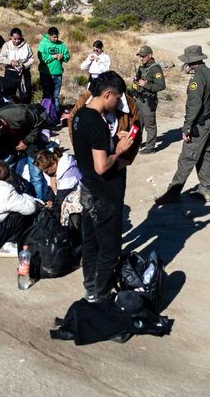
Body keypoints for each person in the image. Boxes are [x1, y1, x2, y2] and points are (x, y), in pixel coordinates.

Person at [71, 71, 135, 302]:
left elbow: (90, 153)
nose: (118, 103)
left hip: (88, 189)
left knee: (91, 242)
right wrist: (119, 151)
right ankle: (101, 295)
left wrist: (113, 141)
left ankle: (90, 288)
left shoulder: (79, 116)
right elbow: (101, 166)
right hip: (103, 192)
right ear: (107, 94)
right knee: (109, 247)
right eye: (117, 98)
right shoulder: (97, 122)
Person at [156, 45, 210, 203]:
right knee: (204, 155)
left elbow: (194, 106)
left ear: (191, 62)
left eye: (187, 62)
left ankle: (173, 192)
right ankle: (205, 189)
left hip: (199, 123)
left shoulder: (196, 79)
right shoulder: (208, 72)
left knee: (187, 158)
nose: (185, 65)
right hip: (209, 119)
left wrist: (187, 127)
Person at [133, 45, 166, 154]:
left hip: (148, 101)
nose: (141, 58)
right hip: (139, 99)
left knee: (149, 125)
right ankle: (135, 144)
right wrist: (135, 81)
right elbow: (138, 82)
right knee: (137, 124)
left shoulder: (155, 68)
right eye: (140, 56)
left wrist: (146, 85)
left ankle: (150, 147)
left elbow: (161, 86)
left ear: (150, 56)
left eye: (143, 56)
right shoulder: (141, 67)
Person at [34, 148, 82, 214]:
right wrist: (50, 200)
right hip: (64, 198)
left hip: (79, 202)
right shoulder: (51, 172)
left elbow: (60, 199)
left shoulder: (68, 172)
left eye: (46, 171)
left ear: (53, 163)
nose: (45, 173)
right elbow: (50, 188)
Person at [37, 26, 70, 109]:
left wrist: (62, 56)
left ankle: (55, 113)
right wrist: (53, 56)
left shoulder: (61, 45)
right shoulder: (43, 44)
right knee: (47, 94)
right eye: (54, 37)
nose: (56, 39)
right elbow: (42, 57)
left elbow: (67, 56)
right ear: (49, 35)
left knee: (55, 95)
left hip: (57, 74)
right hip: (46, 74)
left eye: (57, 37)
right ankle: (45, 111)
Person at [0, 28, 35, 103]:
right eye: (14, 39)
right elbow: (1, 59)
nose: (17, 41)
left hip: (23, 74)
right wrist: (10, 61)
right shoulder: (6, 45)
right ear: (11, 37)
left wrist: (24, 65)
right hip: (10, 74)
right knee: (9, 97)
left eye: (19, 39)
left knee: (25, 96)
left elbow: (32, 59)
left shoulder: (26, 46)